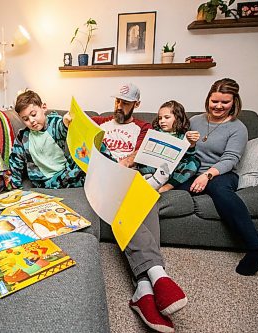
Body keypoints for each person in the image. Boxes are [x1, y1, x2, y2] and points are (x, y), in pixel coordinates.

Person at [89, 83, 188, 333]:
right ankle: (157, 275)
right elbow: (81, 129)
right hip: (104, 178)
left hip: (131, 179)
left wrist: (128, 160)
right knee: (128, 197)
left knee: (147, 198)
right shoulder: (100, 122)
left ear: (137, 105)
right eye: (117, 101)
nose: (118, 106)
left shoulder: (144, 128)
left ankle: (143, 288)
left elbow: (146, 153)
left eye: (125, 102)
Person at [175, 78, 258, 276]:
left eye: (225, 102)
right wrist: (186, 143)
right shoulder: (195, 121)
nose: (219, 106)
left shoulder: (237, 127)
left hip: (221, 173)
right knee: (168, 187)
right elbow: (184, 150)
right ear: (208, 99)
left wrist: (207, 175)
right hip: (192, 170)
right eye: (215, 101)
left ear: (234, 102)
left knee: (221, 192)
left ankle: (255, 247)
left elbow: (230, 159)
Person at [8, 89, 85, 189]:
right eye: (25, 119)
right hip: (45, 180)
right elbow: (15, 161)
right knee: (76, 177)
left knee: (89, 154)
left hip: (64, 171)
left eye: (34, 114)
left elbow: (61, 127)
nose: (31, 121)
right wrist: (14, 187)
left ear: (43, 108)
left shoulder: (54, 122)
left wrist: (65, 123)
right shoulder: (23, 136)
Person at [137, 100, 201, 193]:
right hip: (153, 168)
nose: (162, 121)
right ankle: (151, 180)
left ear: (178, 118)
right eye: (160, 118)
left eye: (167, 117)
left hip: (172, 170)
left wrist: (191, 144)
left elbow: (188, 155)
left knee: (194, 162)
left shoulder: (183, 136)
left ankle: (167, 186)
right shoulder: (155, 132)